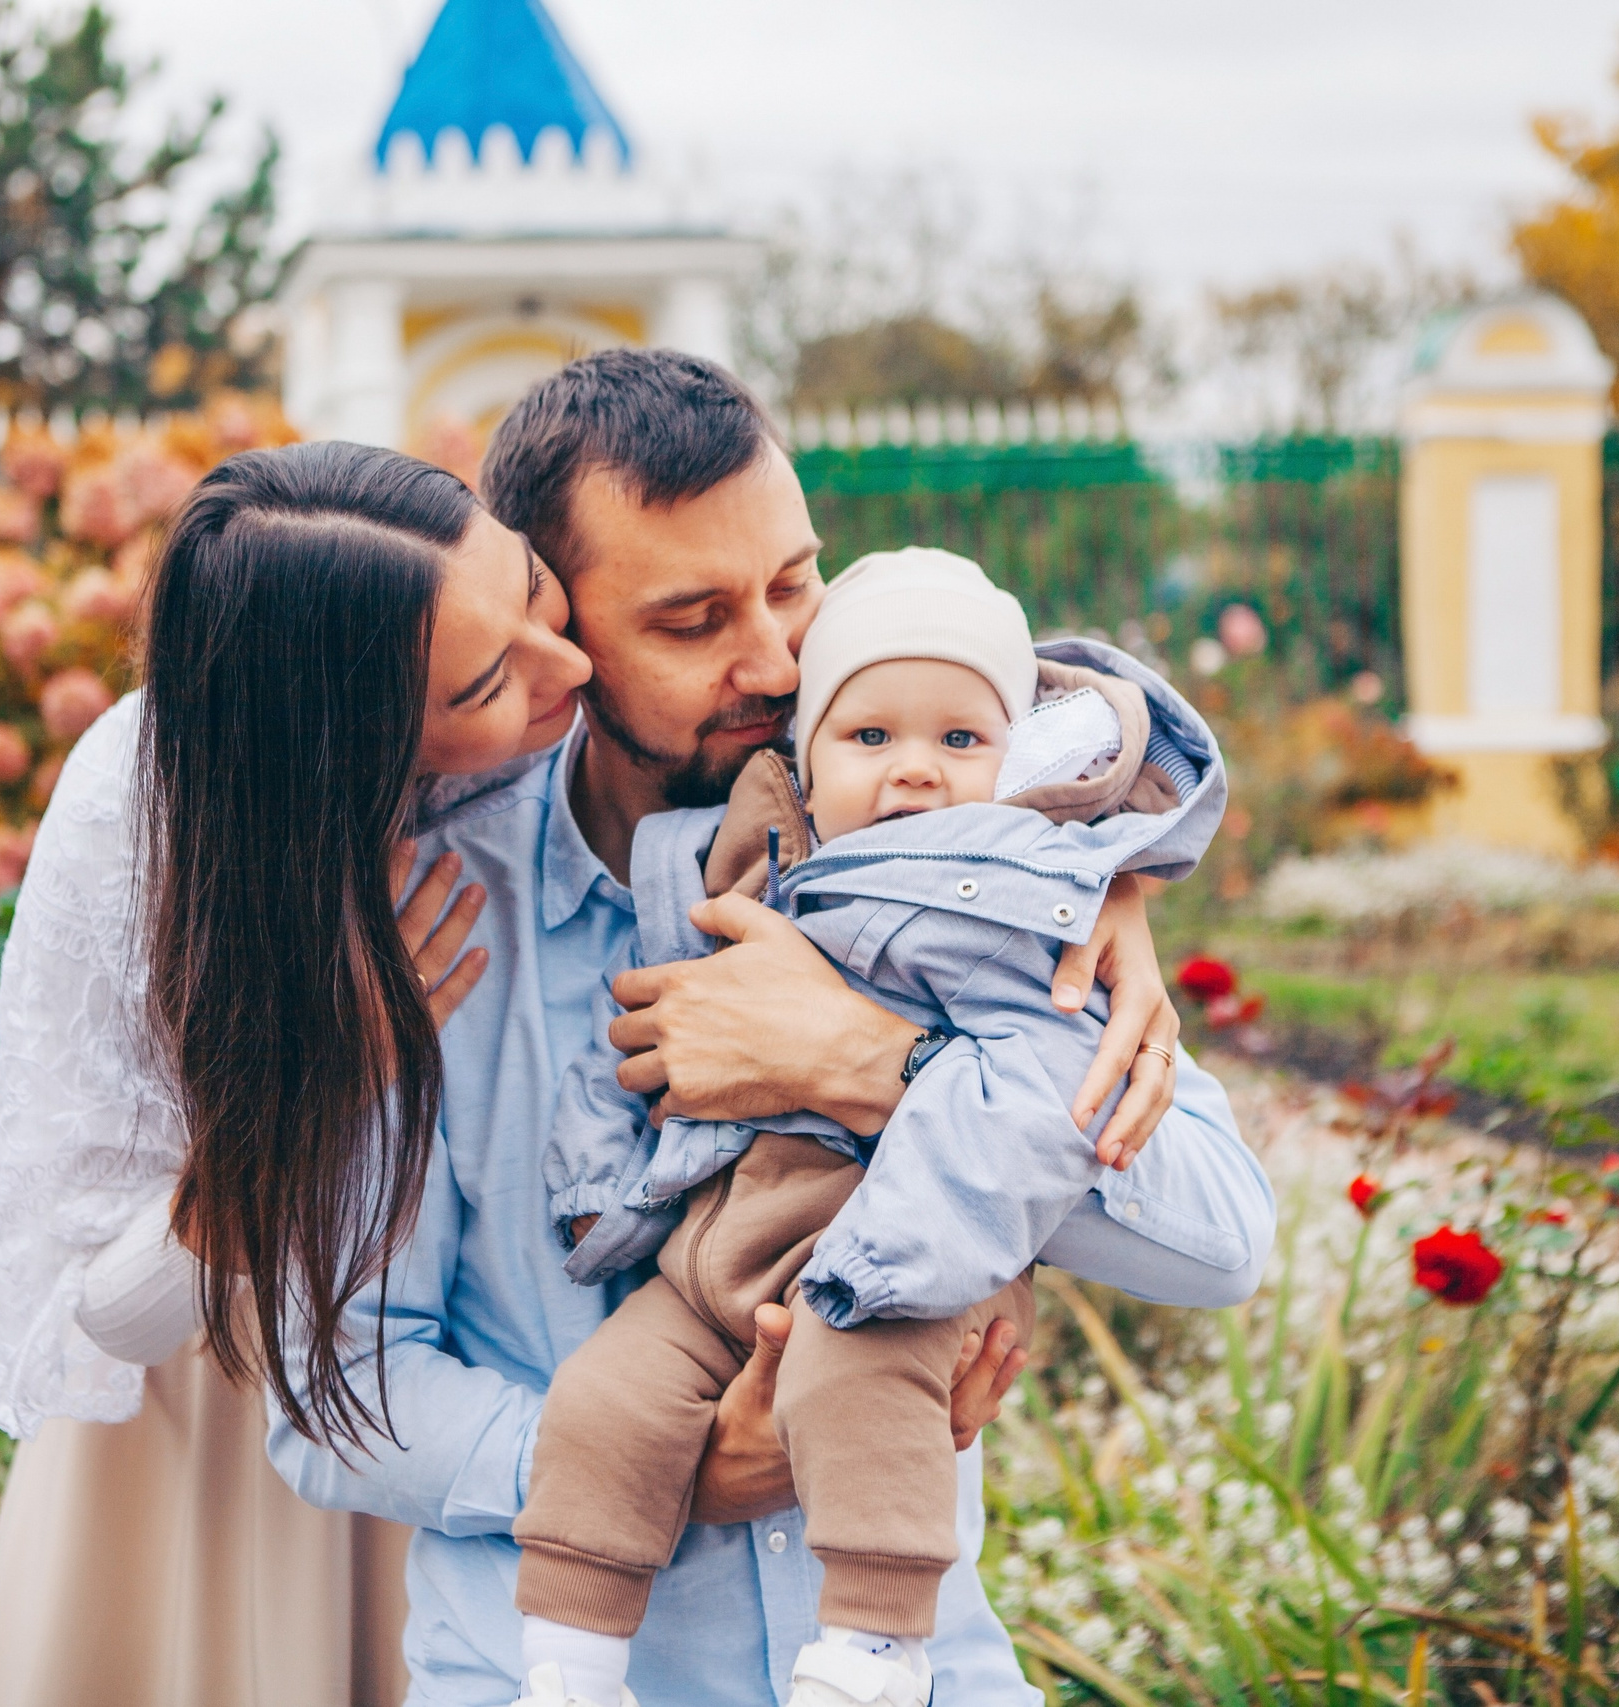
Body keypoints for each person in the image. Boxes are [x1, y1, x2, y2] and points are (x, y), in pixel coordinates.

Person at [266, 350, 1276, 1707]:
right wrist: (669, 1466)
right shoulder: (424, 917)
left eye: (794, 582)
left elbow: (1220, 1238)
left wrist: (869, 1065)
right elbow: (333, 1388)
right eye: (692, 619)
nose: (780, 657)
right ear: (565, 630)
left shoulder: (985, 865)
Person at [510, 546, 1229, 1707]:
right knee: (603, 1400)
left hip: (902, 1256)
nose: (915, 775)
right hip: (722, 1251)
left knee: (862, 1388)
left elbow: (1071, 1112)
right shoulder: (733, 864)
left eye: (960, 742)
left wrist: (1093, 894)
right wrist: (601, 1187)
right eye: (870, 739)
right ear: (802, 752)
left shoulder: (1020, 903)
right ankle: (570, 1666)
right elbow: (637, 1041)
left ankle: (875, 1653)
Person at [0, 441, 591, 1707]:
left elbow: (912, 685)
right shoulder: (141, 812)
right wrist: (327, 1075)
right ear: (343, 743)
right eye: (484, 686)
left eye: (530, 589)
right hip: (233, 1440)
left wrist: (1110, 857)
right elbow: (113, 1309)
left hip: (467, 1381)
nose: (565, 668)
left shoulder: (554, 688)